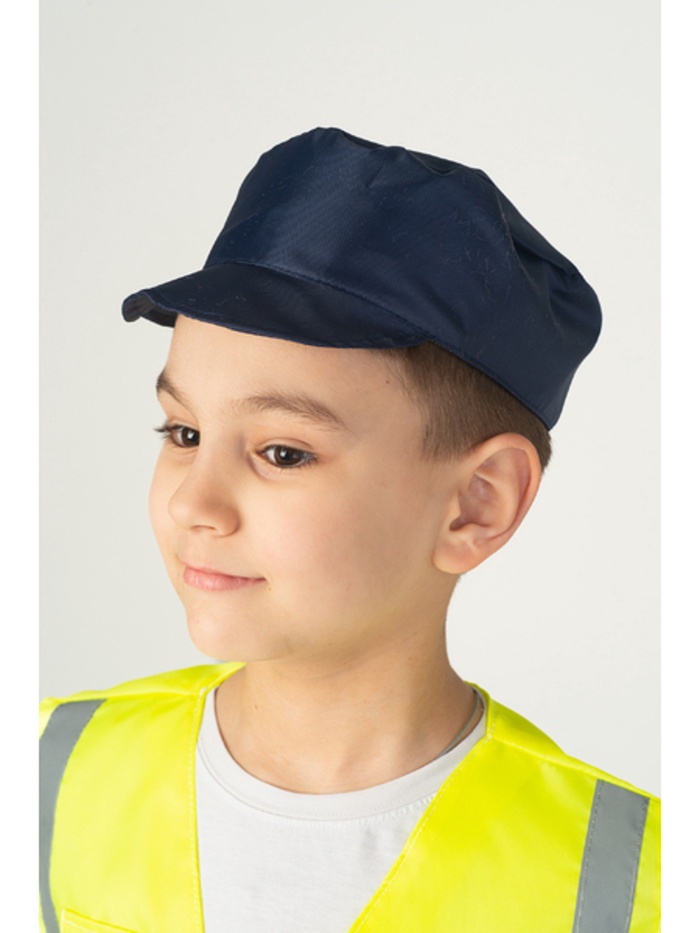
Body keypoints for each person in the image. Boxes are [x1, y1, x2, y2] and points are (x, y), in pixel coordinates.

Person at [39, 127, 660, 933]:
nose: (196, 502)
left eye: (282, 452)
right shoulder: (44, 767)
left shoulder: (636, 881)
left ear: (476, 505)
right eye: (183, 433)